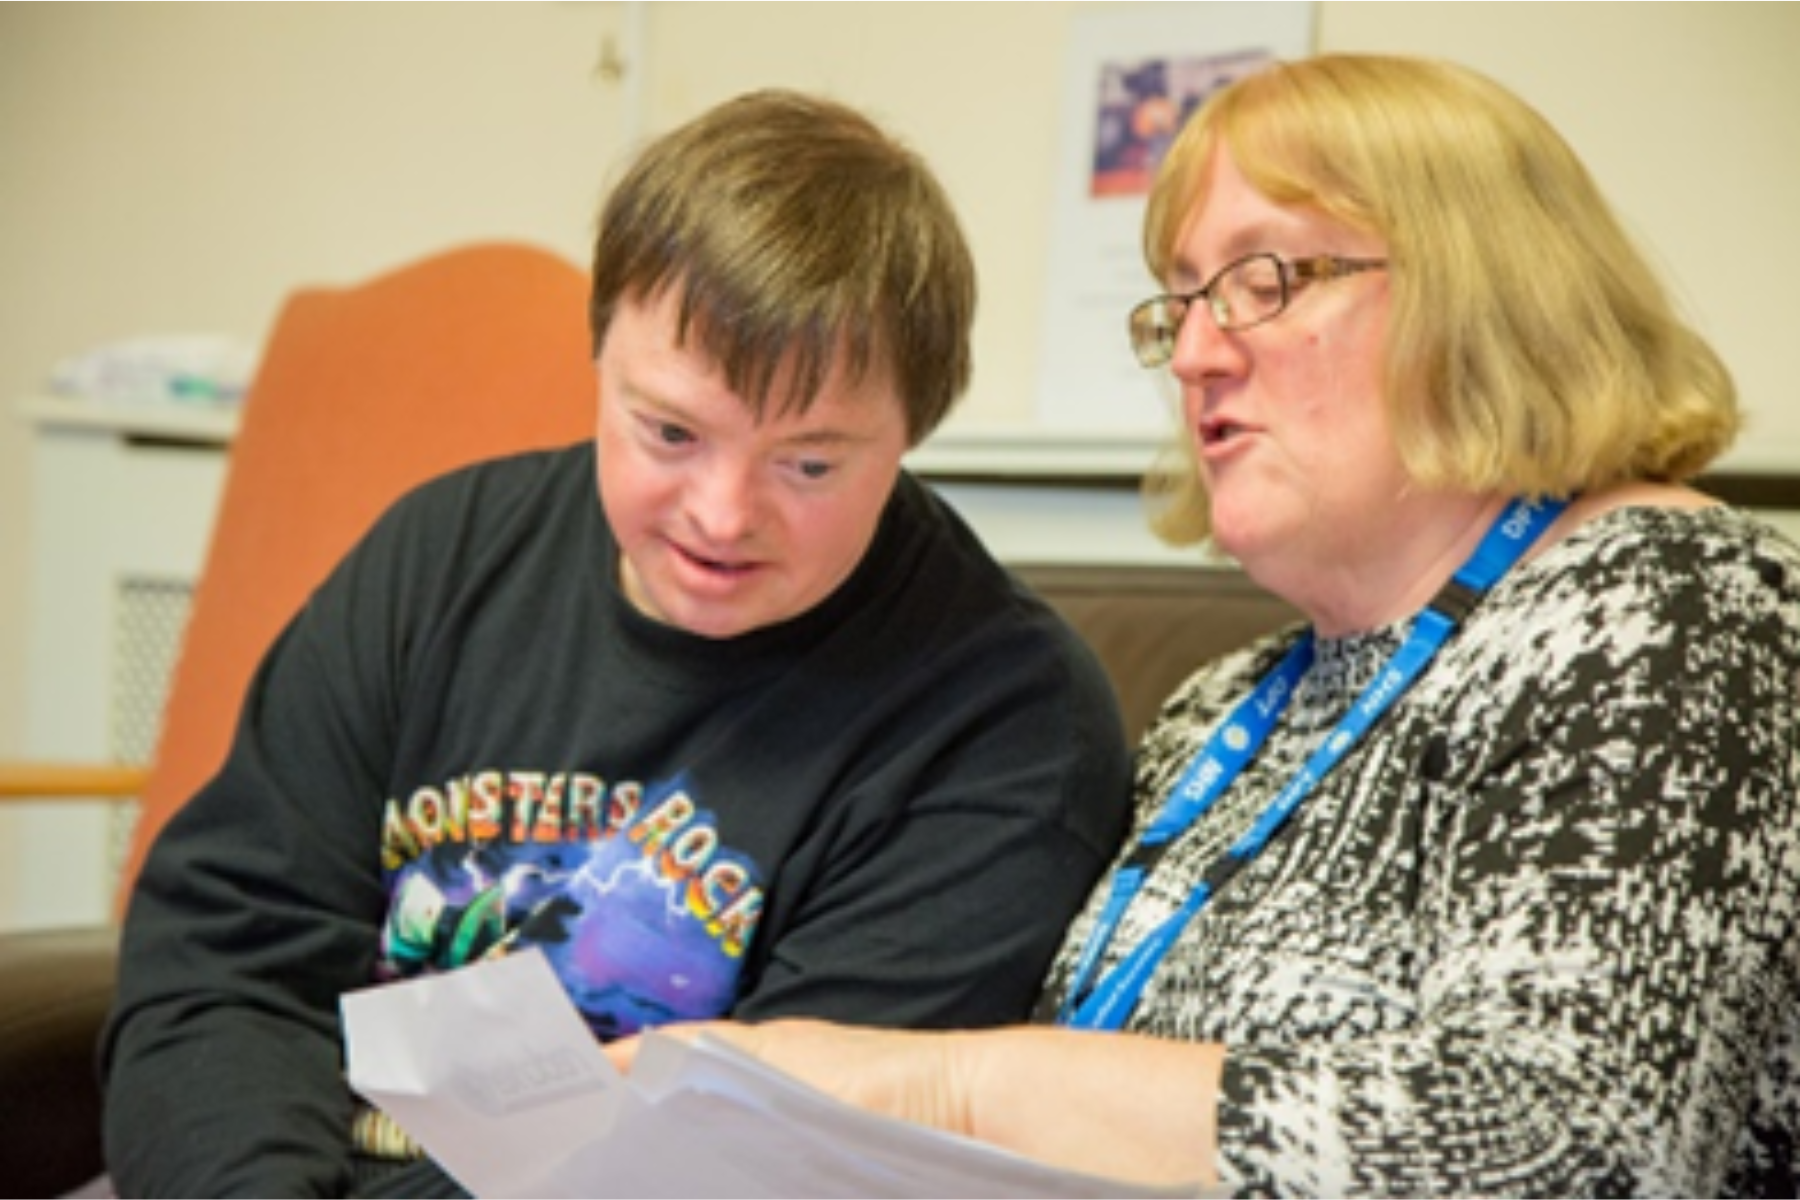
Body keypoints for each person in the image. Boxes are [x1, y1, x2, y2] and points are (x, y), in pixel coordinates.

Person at [607, 54, 1800, 1198]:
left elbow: (1566, 1152)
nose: (1190, 352)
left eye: (1261, 279)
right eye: (1181, 298)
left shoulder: (1684, 606)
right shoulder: (1220, 711)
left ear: (1485, 290)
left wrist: (941, 1089)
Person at [99, 89, 1135, 1198]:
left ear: (913, 436)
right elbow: (224, 967)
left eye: (811, 464)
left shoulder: (1007, 728)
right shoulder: (438, 561)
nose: (723, 514)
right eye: (672, 433)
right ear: (600, 357)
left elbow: (754, 1161)